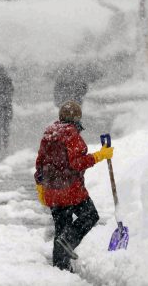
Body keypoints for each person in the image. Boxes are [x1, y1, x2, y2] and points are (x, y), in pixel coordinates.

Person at [34, 100, 113, 271]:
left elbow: (39, 162)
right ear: (77, 118)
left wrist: (40, 184)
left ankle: (60, 269)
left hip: (52, 192)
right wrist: (99, 155)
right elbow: (76, 163)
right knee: (90, 215)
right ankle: (69, 241)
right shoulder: (71, 135)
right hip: (70, 191)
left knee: (61, 228)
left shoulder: (49, 134)